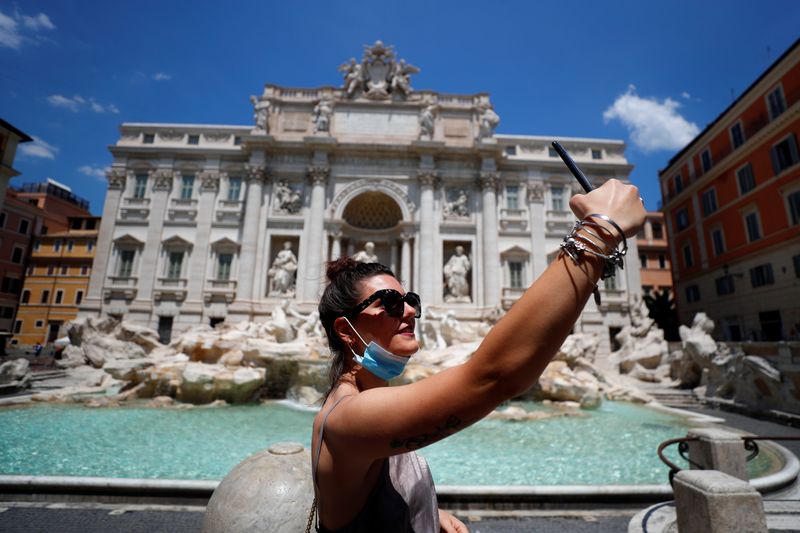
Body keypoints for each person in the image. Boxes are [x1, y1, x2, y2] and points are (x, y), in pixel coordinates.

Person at [311, 179, 645, 532]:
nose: (408, 311)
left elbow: (363, 493)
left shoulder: (365, 403)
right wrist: (598, 231)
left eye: (411, 300)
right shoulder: (347, 420)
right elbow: (494, 376)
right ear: (346, 330)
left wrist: (421, 510)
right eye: (390, 303)